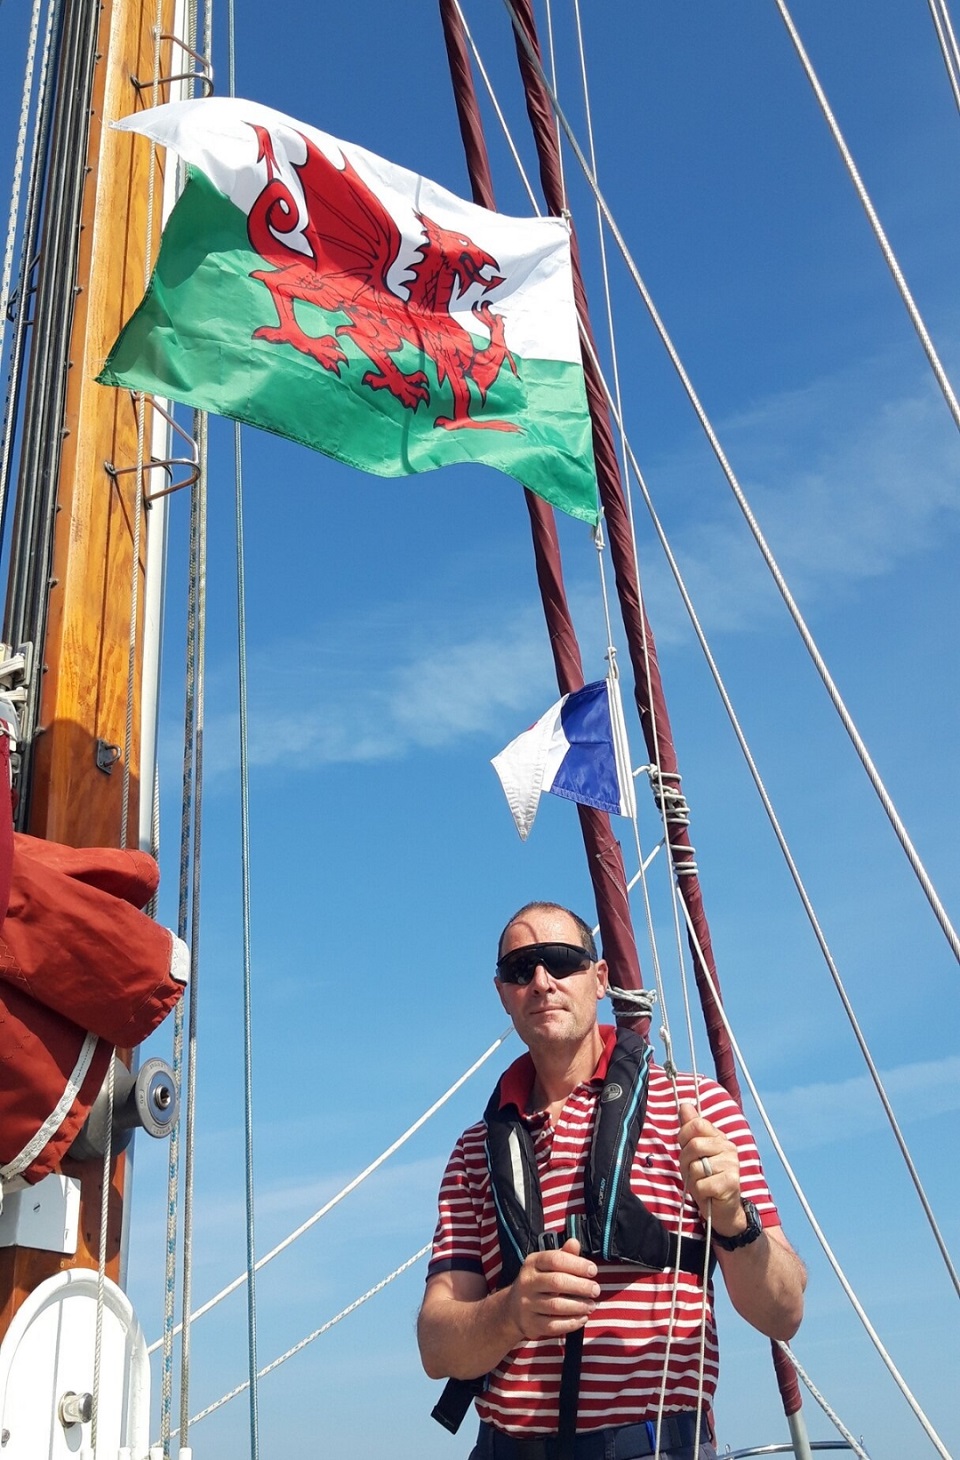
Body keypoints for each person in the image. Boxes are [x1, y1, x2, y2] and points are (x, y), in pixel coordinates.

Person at [417, 901, 806, 1460]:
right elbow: (437, 1346)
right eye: (521, 969)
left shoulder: (694, 1109)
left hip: (651, 1444)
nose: (542, 981)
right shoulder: (474, 1152)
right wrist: (511, 1312)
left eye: (561, 961)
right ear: (503, 994)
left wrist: (733, 1218)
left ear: (599, 979)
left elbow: (783, 1313)